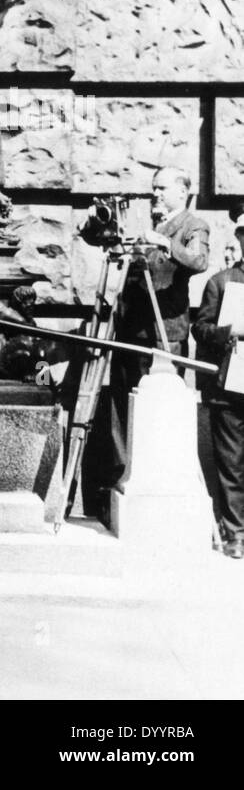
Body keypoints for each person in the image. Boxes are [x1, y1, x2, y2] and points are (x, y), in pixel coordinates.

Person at [82, 166, 209, 523]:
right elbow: (101, 241)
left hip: (163, 334)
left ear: (183, 191)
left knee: (161, 409)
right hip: (128, 331)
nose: (156, 194)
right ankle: (126, 476)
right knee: (123, 407)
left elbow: (199, 260)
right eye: (153, 188)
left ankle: (162, 483)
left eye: (163, 188)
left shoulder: (192, 225)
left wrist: (164, 242)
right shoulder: (143, 220)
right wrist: (96, 224)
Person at [191, 212, 244, 560]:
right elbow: (201, 329)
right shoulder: (223, 282)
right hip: (232, 386)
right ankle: (236, 533)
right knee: (233, 463)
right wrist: (229, 332)